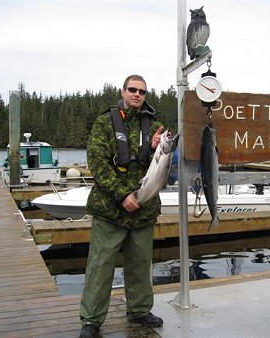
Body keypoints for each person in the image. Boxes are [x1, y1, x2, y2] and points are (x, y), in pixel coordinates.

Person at [79, 74, 165, 338]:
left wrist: (154, 149)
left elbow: (159, 166)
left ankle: (139, 310)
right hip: (109, 209)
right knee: (100, 265)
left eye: (142, 91)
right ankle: (92, 319)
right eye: (132, 89)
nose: (137, 94)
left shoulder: (156, 126)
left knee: (140, 264)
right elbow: (98, 163)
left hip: (143, 210)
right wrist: (121, 194)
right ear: (123, 91)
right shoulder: (105, 122)